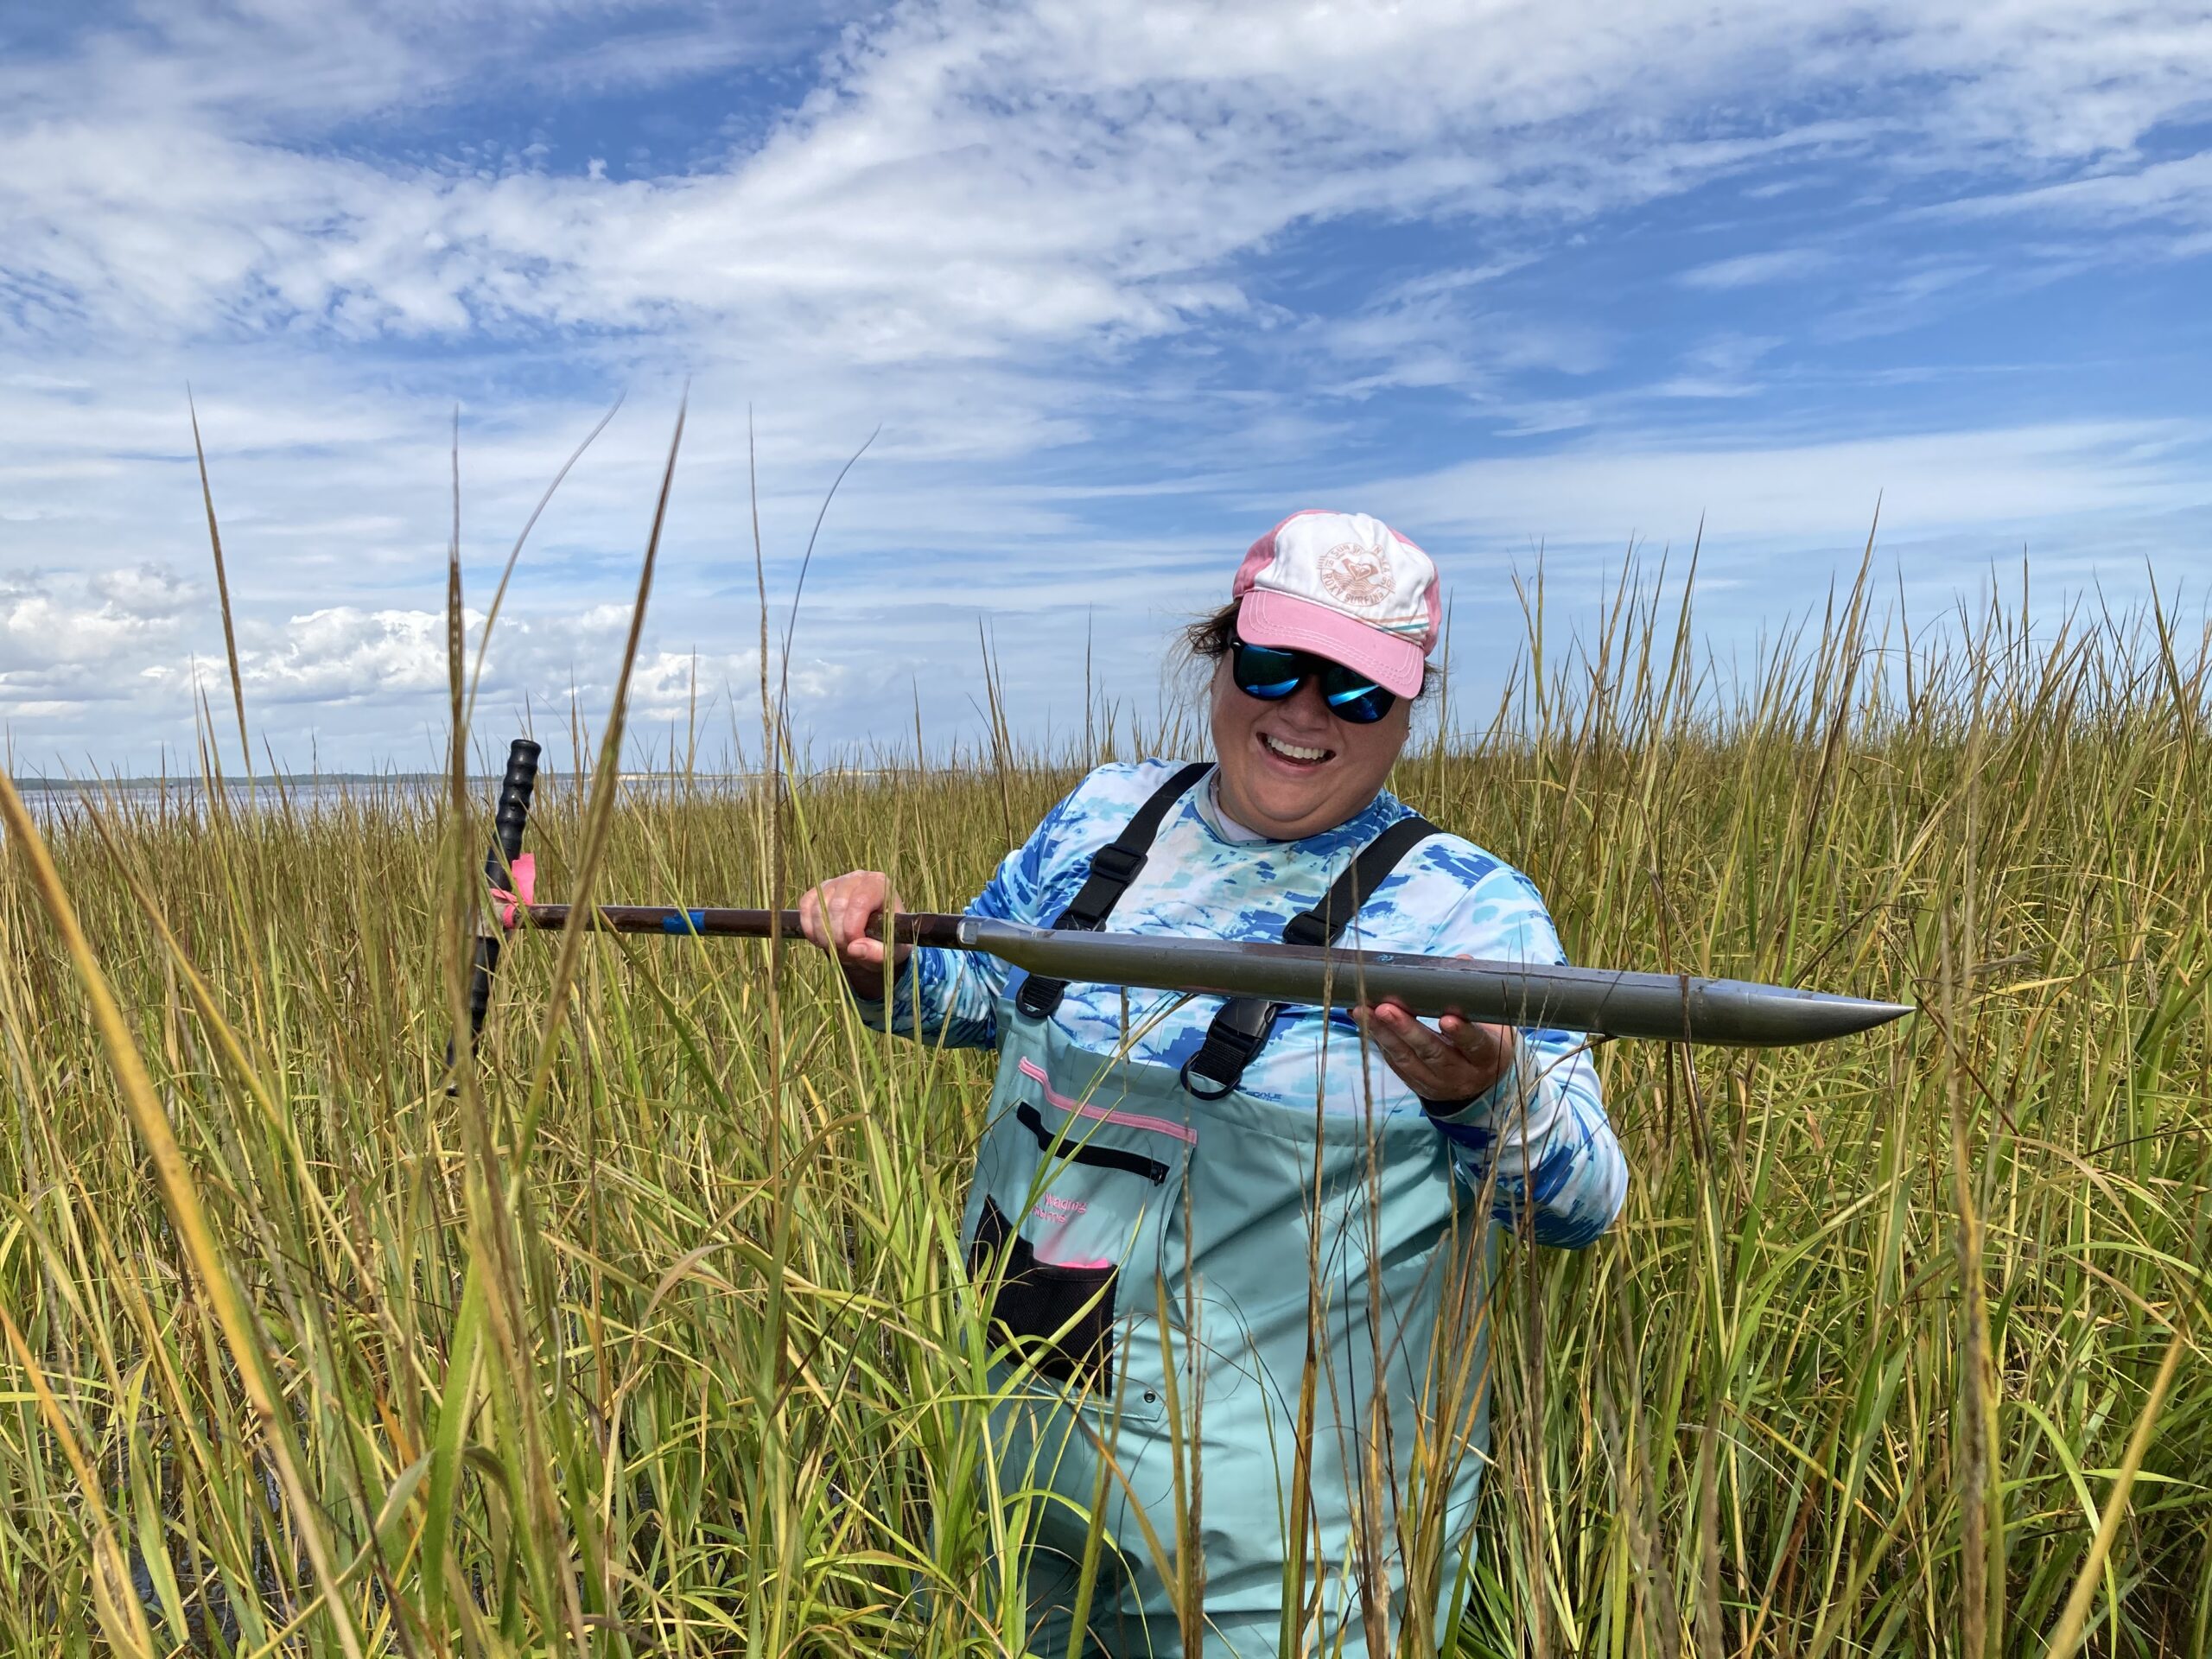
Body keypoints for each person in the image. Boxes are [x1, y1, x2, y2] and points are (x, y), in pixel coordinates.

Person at [798, 509, 1627, 1658]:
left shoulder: (1468, 911)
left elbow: (1582, 1207)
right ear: (1223, 647)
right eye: (1276, 663)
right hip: (1012, 1473)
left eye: (1356, 690)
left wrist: (1486, 1094)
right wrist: (884, 960)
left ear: (1406, 710)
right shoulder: (1101, 817)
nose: (1302, 713)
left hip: (1288, 1567)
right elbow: (988, 1003)